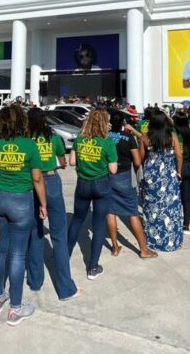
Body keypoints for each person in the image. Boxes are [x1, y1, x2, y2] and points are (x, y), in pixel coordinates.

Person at [0, 106, 47, 326]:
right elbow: (38, 179)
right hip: (21, 200)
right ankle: (15, 308)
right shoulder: (29, 145)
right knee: (18, 255)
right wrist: (43, 204)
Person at [26, 108, 82, 300]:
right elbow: (62, 159)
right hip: (50, 180)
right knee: (59, 235)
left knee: (35, 232)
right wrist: (60, 162)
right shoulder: (53, 137)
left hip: (31, 183)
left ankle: (35, 281)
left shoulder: (26, 139)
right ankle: (65, 287)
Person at [67, 109, 117, 279]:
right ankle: (93, 266)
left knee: (77, 219)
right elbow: (113, 169)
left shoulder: (80, 139)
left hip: (82, 183)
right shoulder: (107, 141)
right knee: (98, 224)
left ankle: (64, 256)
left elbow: (72, 162)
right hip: (101, 184)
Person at [105, 111, 157, 258]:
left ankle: (115, 247)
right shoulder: (129, 138)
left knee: (111, 212)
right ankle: (143, 249)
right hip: (124, 177)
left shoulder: (105, 136)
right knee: (132, 212)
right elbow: (137, 161)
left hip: (108, 176)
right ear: (123, 123)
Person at [139, 110, 183, 249]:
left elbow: (140, 158)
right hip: (169, 176)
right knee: (170, 208)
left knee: (152, 208)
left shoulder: (145, 137)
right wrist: (179, 172)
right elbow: (179, 156)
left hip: (152, 176)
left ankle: (153, 239)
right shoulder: (172, 136)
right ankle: (171, 239)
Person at [172, 113, 190, 233]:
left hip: (176, 166)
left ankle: (174, 220)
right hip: (188, 165)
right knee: (187, 198)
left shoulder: (173, 134)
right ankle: (186, 224)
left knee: (174, 197)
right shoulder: (188, 134)